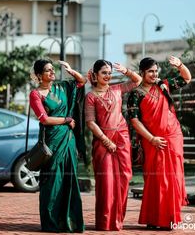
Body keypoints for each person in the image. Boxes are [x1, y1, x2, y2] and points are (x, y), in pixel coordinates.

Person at [127, 55, 192, 230]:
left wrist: (179, 64)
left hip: (172, 137)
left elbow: (186, 78)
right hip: (153, 140)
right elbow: (134, 121)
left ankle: (169, 219)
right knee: (155, 179)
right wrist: (152, 139)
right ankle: (154, 218)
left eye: (156, 71)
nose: (154, 74)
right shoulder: (135, 94)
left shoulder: (163, 86)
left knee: (171, 178)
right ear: (142, 72)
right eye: (150, 71)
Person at [29, 58, 86, 233]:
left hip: (67, 141)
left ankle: (70, 222)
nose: (52, 72)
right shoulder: (36, 94)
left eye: (53, 69)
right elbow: (44, 119)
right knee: (52, 181)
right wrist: (66, 119)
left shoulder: (62, 87)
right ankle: (51, 223)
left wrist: (70, 70)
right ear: (39, 75)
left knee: (70, 180)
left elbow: (82, 81)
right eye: (48, 70)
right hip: (52, 143)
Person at [85, 59, 142, 231]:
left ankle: (118, 220)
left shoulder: (117, 89)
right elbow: (90, 122)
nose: (108, 76)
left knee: (124, 178)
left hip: (122, 138)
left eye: (109, 73)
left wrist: (126, 71)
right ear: (95, 75)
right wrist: (105, 140)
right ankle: (105, 222)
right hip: (103, 142)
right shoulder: (91, 96)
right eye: (104, 72)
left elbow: (137, 81)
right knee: (106, 182)